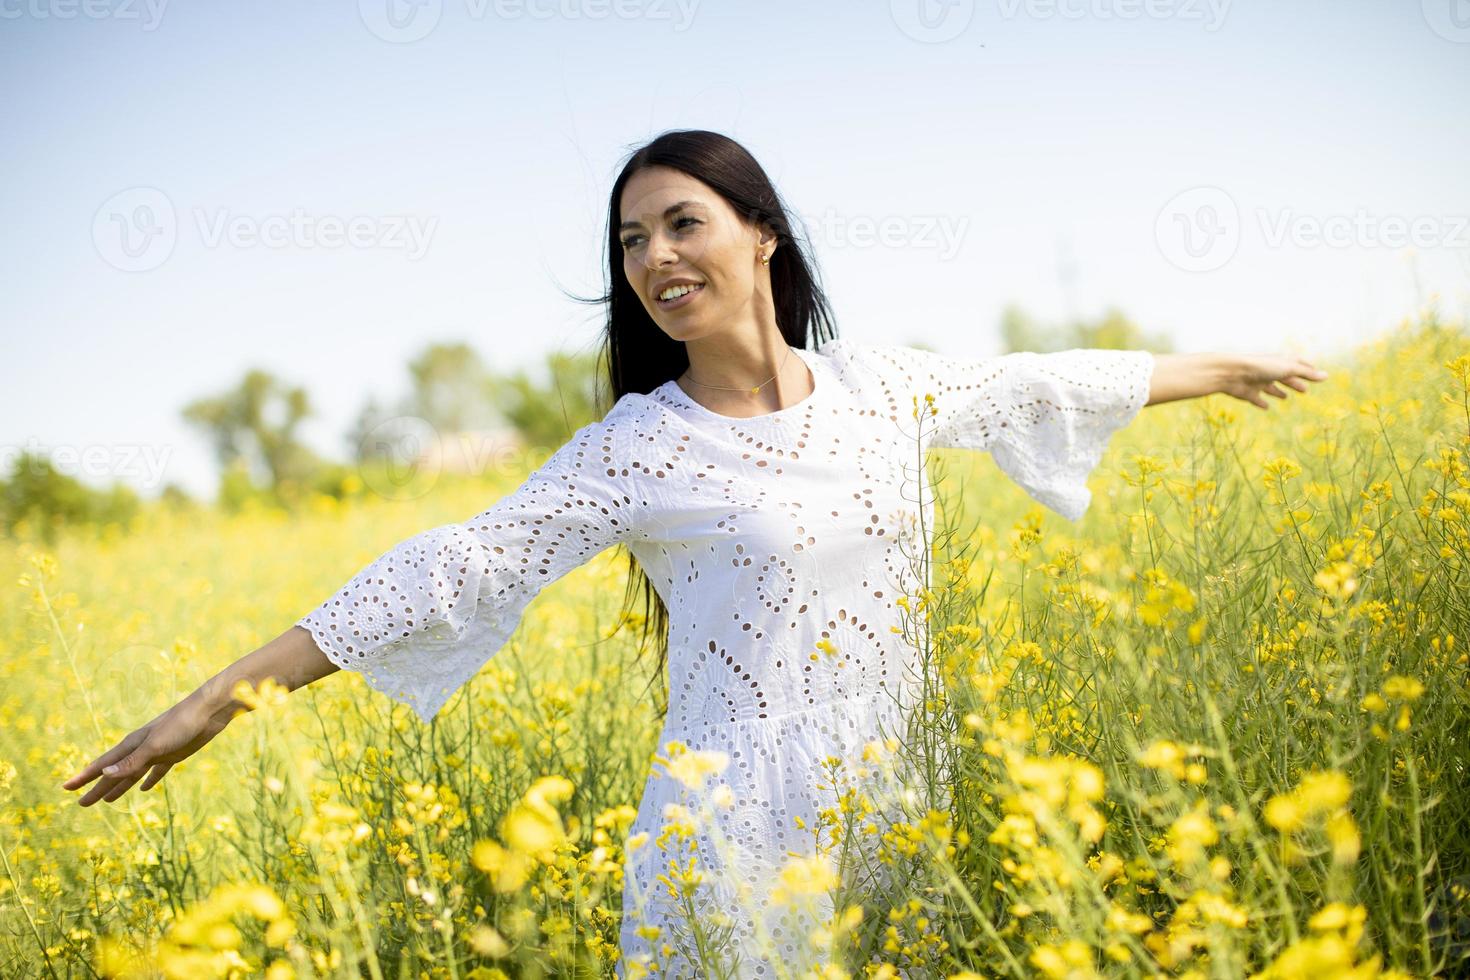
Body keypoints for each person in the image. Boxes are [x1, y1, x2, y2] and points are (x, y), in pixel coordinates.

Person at [61, 129, 1328, 978]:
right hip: (733, 830)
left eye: (682, 223)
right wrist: (215, 701)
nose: (656, 258)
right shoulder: (638, 448)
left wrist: (1226, 366)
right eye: (632, 243)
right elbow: (451, 565)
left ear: (762, 233)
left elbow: (1037, 382)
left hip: (905, 793)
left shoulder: (882, 387)